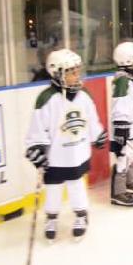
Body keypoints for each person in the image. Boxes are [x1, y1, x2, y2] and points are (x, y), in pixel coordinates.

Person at [25, 49, 107, 240]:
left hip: (78, 152)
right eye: (72, 72)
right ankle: (51, 217)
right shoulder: (46, 99)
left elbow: (91, 120)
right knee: (53, 188)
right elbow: (37, 128)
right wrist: (36, 147)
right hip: (55, 156)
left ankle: (81, 215)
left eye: (78, 70)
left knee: (76, 185)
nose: (77, 75)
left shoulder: (84, 94)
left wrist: (98, 135)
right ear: (58, 74)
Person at [110, 41, 133, 207]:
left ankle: (130, 182)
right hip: (126, 128)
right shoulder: (123, 81)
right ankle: (118, 192)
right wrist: (121, 126)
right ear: (127, 60)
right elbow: (120, 104)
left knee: (132, 156)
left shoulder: (132, 80)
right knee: (123, 158)